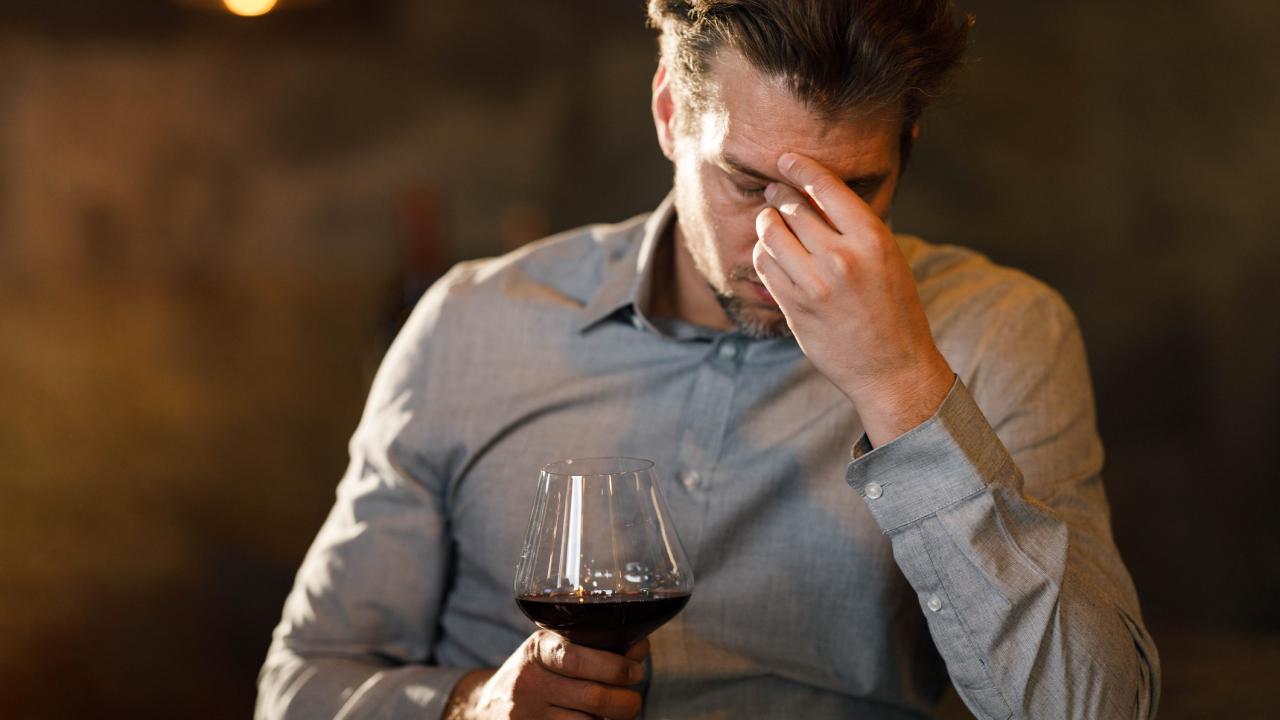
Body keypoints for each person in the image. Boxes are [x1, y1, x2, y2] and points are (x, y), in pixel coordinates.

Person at [256, 1, 1161, 718]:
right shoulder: (472, 323)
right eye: (749, 182)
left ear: (907, 152)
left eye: (854, 190)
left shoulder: (1002, 331)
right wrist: (469, 709)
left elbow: (1091, 710)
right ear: (667, 112)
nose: (784, 238)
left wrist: (900, 383)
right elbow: (299, 687)